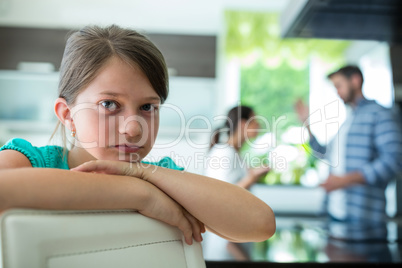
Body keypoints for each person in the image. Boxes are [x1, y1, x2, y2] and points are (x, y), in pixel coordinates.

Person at [0, 25, 276, 246]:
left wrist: (145, 179)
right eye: (109, 104)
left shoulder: (162, 176)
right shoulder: (30, 162)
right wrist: (142, 196)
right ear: (67, 113)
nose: (133, 129)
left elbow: (260, 223)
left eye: (147, 107)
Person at [295, 65, 402, 240]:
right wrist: (306, 124)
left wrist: (345, 181)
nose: (337, 92)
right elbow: (324, 153)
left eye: (339, 85)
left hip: (364, 219)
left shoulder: (380, 114)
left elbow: (394, 160)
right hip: (335, 215)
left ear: (355, 80)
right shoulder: (349, 120)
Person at [202, 105, 271, 260]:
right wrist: (252, 177)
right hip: (225, 245)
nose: (259, 126)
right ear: (242, 124)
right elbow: (222, 195)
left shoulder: (234, 153)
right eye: (255, 121)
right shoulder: (223, 153)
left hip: (233, 239)